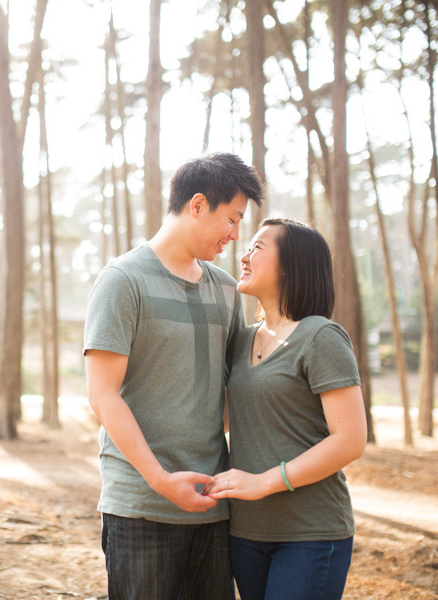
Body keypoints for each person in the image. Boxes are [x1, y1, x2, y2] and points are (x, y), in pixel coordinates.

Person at [83, 152, 264, 599]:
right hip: (141, 506)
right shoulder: (123, 281)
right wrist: (161, 480)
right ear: (198, 205)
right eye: (232, 218)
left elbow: (236, 389)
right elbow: (103, 397)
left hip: (212, 506)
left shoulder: (225, 289)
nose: (235, 235)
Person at [206, 218, 368, 600]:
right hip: (246, 532)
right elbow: (228, 420)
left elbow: (350, 440)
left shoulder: (321, 337)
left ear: (290, 265)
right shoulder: (243, 339)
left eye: (258, 247)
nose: (243, 255)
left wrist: (263, 482)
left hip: (310, 533)